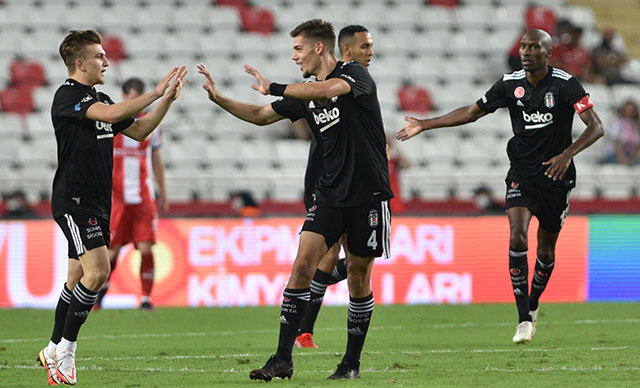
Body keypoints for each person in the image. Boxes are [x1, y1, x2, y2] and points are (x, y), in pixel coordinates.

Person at [197, 18, 393, 381]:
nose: (294, 56)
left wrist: (275, 86)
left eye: (298, 49)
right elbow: (259, 115)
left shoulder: (355, 74)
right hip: (331, 194)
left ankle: (350, 364)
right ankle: (282, 358)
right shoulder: (304, 93)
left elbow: (327, 90)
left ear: (319, 47)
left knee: (357, 276)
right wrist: (220, 98)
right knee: (302, 265)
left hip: (368, 194)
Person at [397, 29, 604, 345]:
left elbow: (596, 127)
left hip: (557, 178)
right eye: (523, 45)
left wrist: (567, 154)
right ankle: (523, 318)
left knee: (546, 250)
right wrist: (425, 124)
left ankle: (532, 304)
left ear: (548, 53)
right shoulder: (510, 84)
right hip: (522, 173)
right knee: (517, 234)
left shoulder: (565, 84)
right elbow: (471, 112)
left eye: (534, 46)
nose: (526, 50)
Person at [37, 29, 186, 386]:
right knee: (99, 271)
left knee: (77, 278)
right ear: (80, 62)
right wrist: (153, 91)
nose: (106, 61)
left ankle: (52, 347)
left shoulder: (99, 97)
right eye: (100, 56)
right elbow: (113, 111)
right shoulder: (67, 96)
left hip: (100, 202)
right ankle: (66, 354)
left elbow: (138, 131)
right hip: (75, 200)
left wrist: (166, 101)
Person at [294, 24, 375, 350]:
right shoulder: (330, 83)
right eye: (365, 46)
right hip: (326, 182)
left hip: (354, 186)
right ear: (347, 49)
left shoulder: (356, 82)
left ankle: (303, 328)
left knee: (353, 262)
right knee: (328, 258)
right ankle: (303, 331)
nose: (370, 52)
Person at [94, 78, 169, 311]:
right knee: (112, 251)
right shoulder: (110, 119)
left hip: (142, 196)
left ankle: (146, 298)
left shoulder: (150, 124)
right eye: (131, 96)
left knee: (146, 247)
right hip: (116, 198)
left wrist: (163, 191)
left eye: (139, 96)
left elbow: (156, 159)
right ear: (123, 95)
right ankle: (100, 290)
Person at [601, 99, 640, 165]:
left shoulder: (636, 124)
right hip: (615, 154)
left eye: (631, 110)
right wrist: (622, 159)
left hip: (631, 155)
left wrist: (633, 158)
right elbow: (616, 142)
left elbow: (638, 145)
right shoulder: (617, 122)